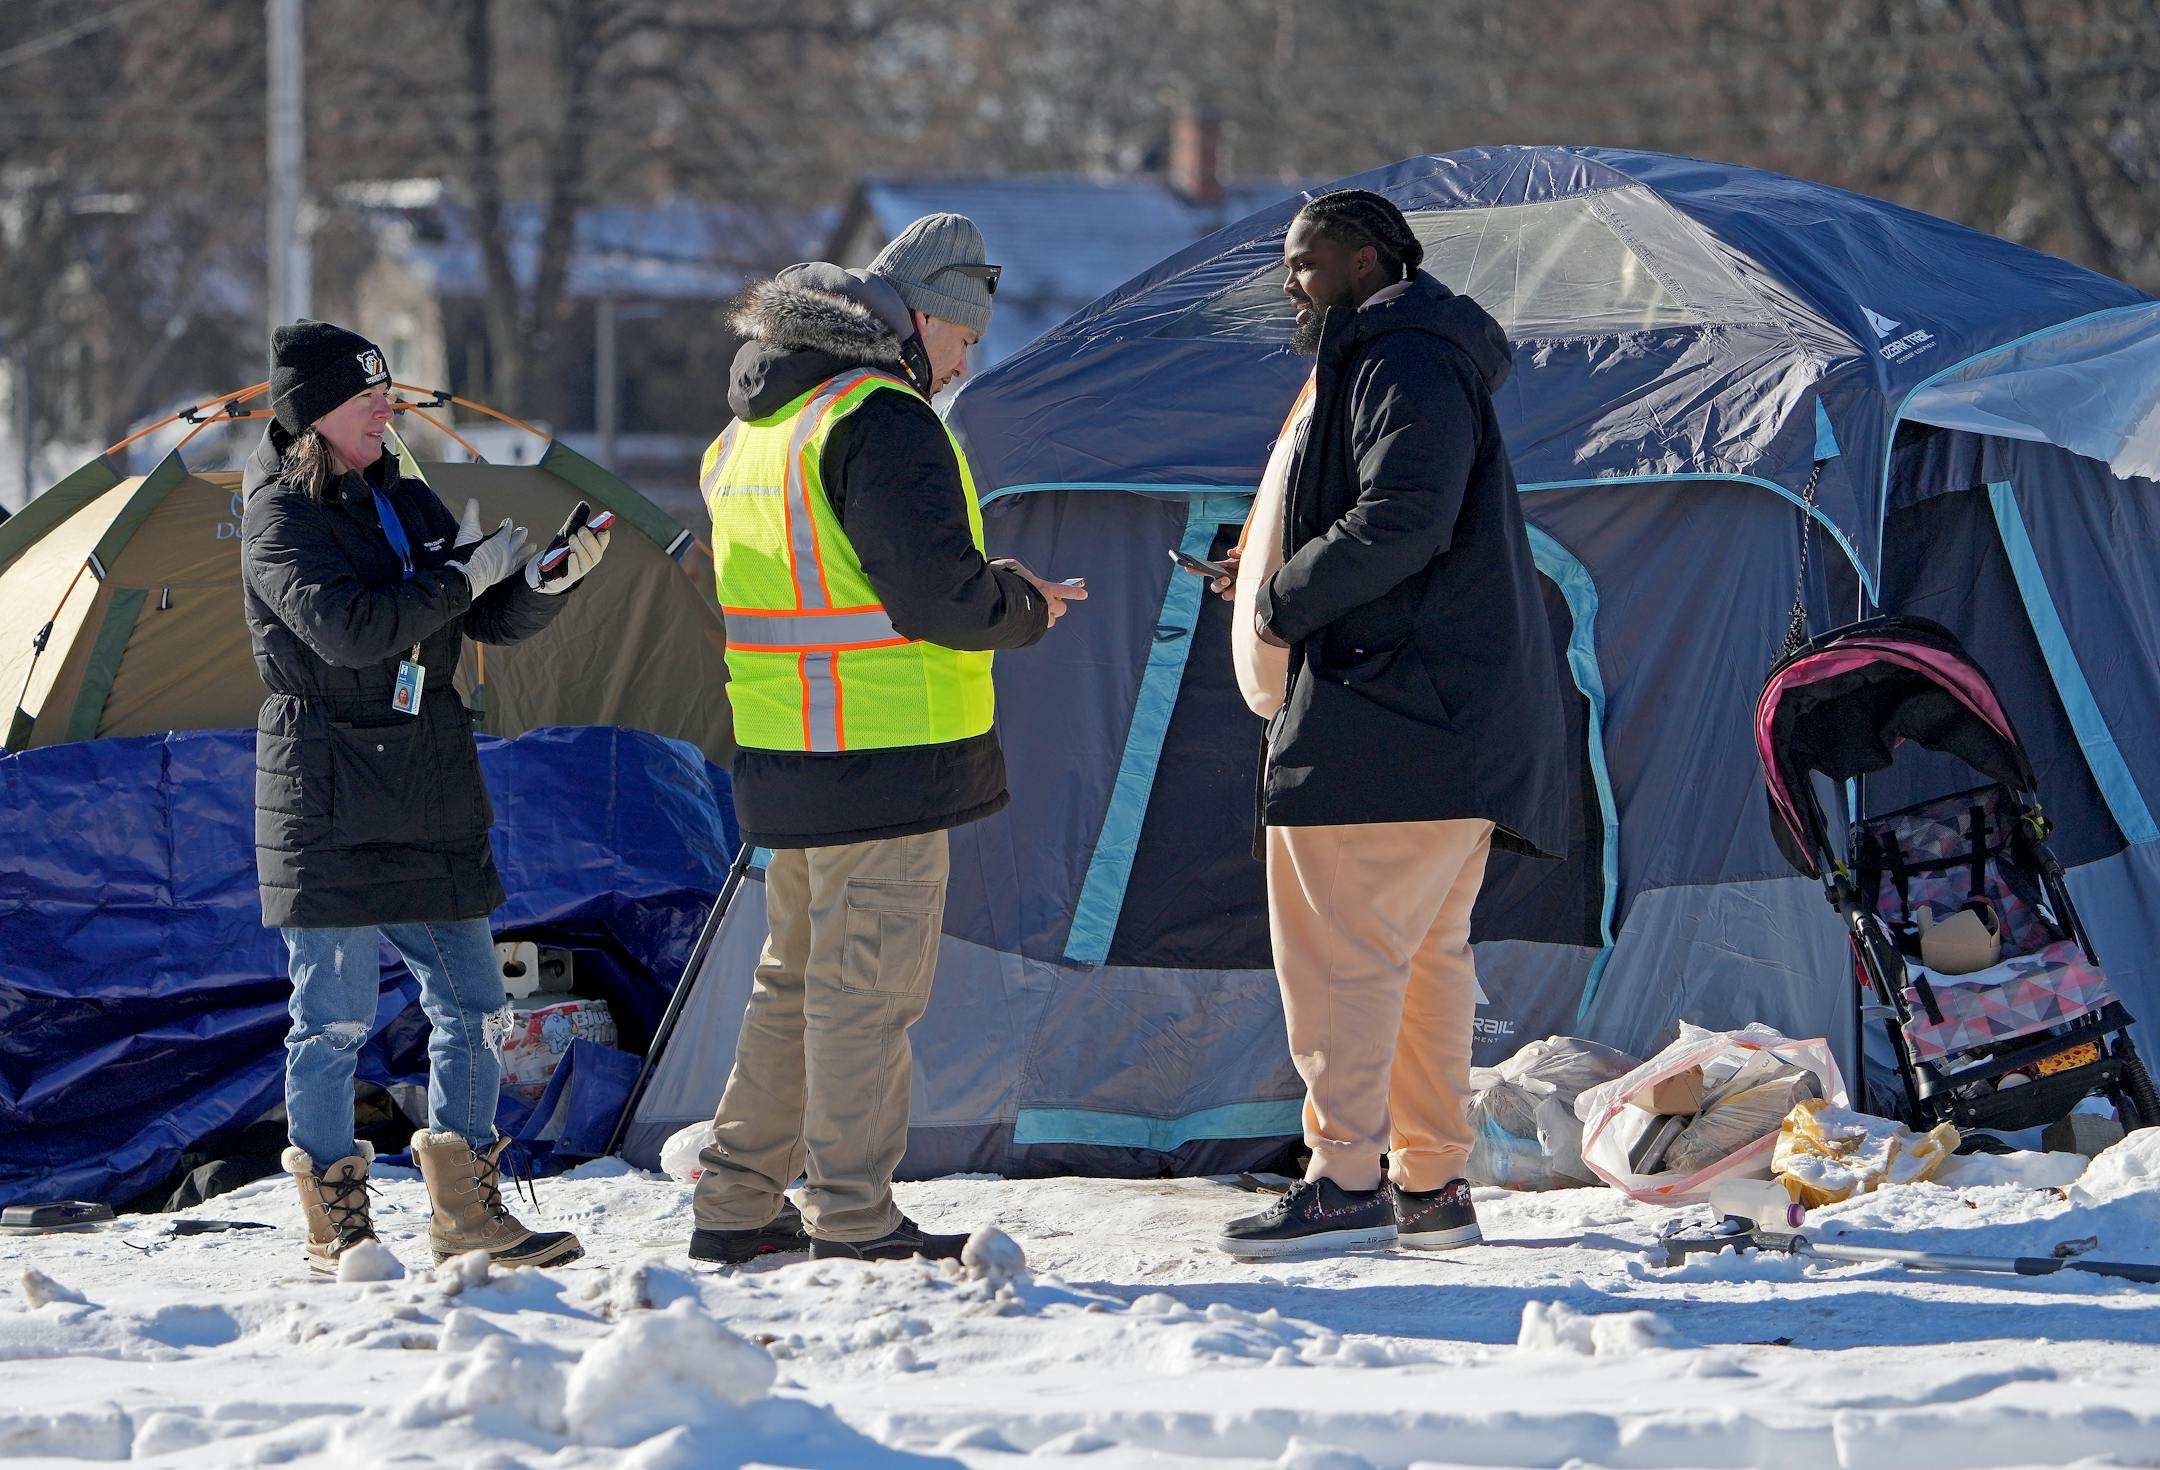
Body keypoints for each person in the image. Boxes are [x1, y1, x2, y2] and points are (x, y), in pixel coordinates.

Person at [688, 215, 1083, 1265]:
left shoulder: (752, 431)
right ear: (917, 322)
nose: (963, 365)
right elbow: (937, 597)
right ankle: (855, 1213)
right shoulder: (881, 418)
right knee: (867, 992)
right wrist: (1025, 605)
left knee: (794, 981)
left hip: (786, 756)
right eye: (961, 339)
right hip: (884, 756)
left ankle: (736, 1200)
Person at [1210, 190, 1570, 1258]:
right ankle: (1430, 1183)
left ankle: (1345, 1181)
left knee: (1341, 966)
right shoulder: (1408, 352)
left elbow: (1404, 517)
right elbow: (1400, 514)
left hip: (1389, 717)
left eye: (1305, 262)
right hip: (1444, 723)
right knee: (1420, 967)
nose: (1291, 282)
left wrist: (1279, 600)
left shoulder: (1402, 357)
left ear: (1368, 258)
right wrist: (1266, 568)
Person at [241, 320, 606, 1274]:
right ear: (311, 415)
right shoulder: (278, 517)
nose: (386, 410)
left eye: (388, 394)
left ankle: (466, 1214)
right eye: (367, 400)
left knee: (478, 1004)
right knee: (331, 1019)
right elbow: (350, 632)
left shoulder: (402, 492)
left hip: (428, 778)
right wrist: (458, 573)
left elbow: (477, 612)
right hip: (322, 790)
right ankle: (339, 1225)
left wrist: (543, 582)